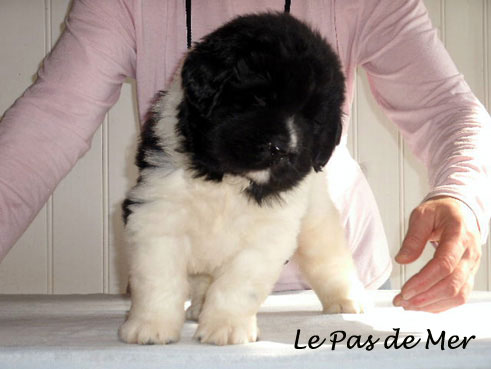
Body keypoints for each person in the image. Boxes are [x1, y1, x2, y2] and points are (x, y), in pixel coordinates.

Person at [0, 0, 489, 313]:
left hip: (331, 287)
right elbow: (52, 119)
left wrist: (462, 197)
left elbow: (450, 110)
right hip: (187, 283)